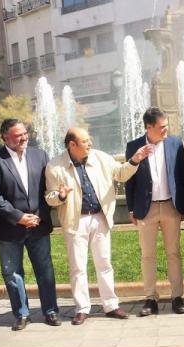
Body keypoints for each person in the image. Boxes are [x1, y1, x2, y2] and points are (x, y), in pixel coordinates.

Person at [46, 127, 152, 325]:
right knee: (78, 267)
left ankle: (111, 305)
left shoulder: (101, 157)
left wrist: (135, 160)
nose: (90, 144)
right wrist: (60, 195)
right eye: (85, 141)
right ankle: (82, 308)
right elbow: (50, 197)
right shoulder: (55, 166)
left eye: (89, 140)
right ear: (72, 144)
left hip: (100, 217)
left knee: (104, 263)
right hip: (75, 221)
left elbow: (120, 174)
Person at [0, 119, 60, 331]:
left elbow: (47, 189)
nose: (24, 138)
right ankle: (22, 314)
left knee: (45, 270)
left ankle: (50, 310)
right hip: (9, 228)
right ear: (5, 137)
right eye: (18, 135)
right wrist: (18, 217)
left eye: (25, 133)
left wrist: (40, 215)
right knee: (12, 272)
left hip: (38, 224)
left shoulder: (40, 155)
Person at [125, 108, 184, 316]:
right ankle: (150, 299)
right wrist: (131, 207)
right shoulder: (134, 146)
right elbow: (129, 178)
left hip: (171, 206)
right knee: (148, 255)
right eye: (162, 127)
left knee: (174, 253)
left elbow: (182, 175)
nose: (166, 130)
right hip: (146, 208)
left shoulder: (175, 143)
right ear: (148, 127)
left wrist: (183, 205)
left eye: (166, 125)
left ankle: (177, 297)